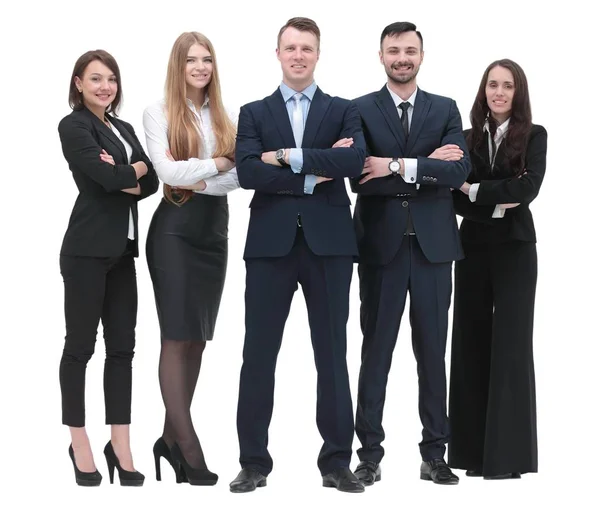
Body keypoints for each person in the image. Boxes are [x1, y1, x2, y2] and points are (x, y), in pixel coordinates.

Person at [229, 17, 367, 494]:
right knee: (257, 355)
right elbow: (248, 172)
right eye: (291, 47)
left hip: (330, 246)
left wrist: (284, 157)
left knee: (332, 355)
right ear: (278, 53)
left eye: (307, 48)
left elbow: (351, 163)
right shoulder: (253, 112)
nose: (299, 55)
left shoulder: (344, 110)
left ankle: (336, 463)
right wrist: (313, 170)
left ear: (318, 54)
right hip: (270, 247)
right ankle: (252, 463)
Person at [350, 21, 470, 486]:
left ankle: (435, 453)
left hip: (434, 248)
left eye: (410, 50)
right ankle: (370, 455)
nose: (403, 58)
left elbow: (458, 168)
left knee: (432, 353)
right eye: (394, 50)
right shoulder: (359, 109)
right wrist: (426, 167)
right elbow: (358, 173)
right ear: (381, 55)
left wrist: (396, 165)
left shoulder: (444, 108)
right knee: (375, 352)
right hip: (381, 246)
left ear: (422, 55)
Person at [57, 49, 158, 487]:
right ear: (78, 83)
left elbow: (150, 180)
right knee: (80, 348)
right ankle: (79, 440)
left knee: (123, 349)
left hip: (123, 251)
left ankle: (120, 443)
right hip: (85, 251)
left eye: (111, 79)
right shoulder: (74, 125)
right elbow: (108, 181)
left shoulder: (124, 127)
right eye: (95, 78)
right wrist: (127, 171)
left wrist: (125, 169)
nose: (105, 86)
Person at [142, 31, 239, 486]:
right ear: (178, 66)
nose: (200, 67)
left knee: (197, 339)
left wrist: (202, 178)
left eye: (207, 60)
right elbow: (166, 172)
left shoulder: (225, 116)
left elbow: (240, 177)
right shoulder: (158, 112)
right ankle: (188, 445)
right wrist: (217, 165)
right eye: (191, 60)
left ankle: (167, 437)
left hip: (213, 234)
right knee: (176, 338)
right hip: (175, 232)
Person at [448, 59, 547, 480]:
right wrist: (492, 199)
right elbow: (453, 198)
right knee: (469, 340)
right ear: (483, 90)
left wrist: (475, 191)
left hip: (515, 251)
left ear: (518, 92)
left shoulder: (534, 136)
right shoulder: (467, 138)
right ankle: (469, 453)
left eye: (508, 85)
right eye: (493, 84)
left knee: (510, 344)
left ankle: (508, 460)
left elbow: (528, 189)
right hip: (470, 248)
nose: (500, 92)